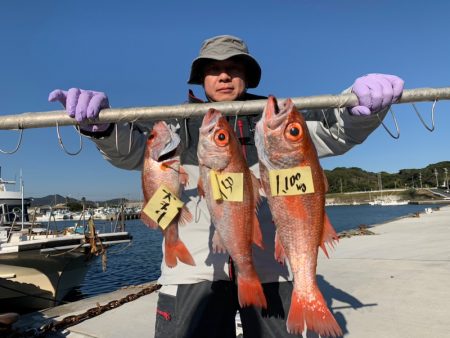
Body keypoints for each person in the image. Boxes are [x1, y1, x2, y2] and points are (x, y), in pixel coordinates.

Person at [49, 35, 404, 337]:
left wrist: (361, 110)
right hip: (193, 273)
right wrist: (102, 129)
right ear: (201, 79)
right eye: (213, 69)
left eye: (234, 68)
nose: (224, 75)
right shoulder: (179, 124)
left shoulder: (273, 118)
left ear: (247, 77)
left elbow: (332, 131)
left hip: (269, 270)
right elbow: (134, 154)